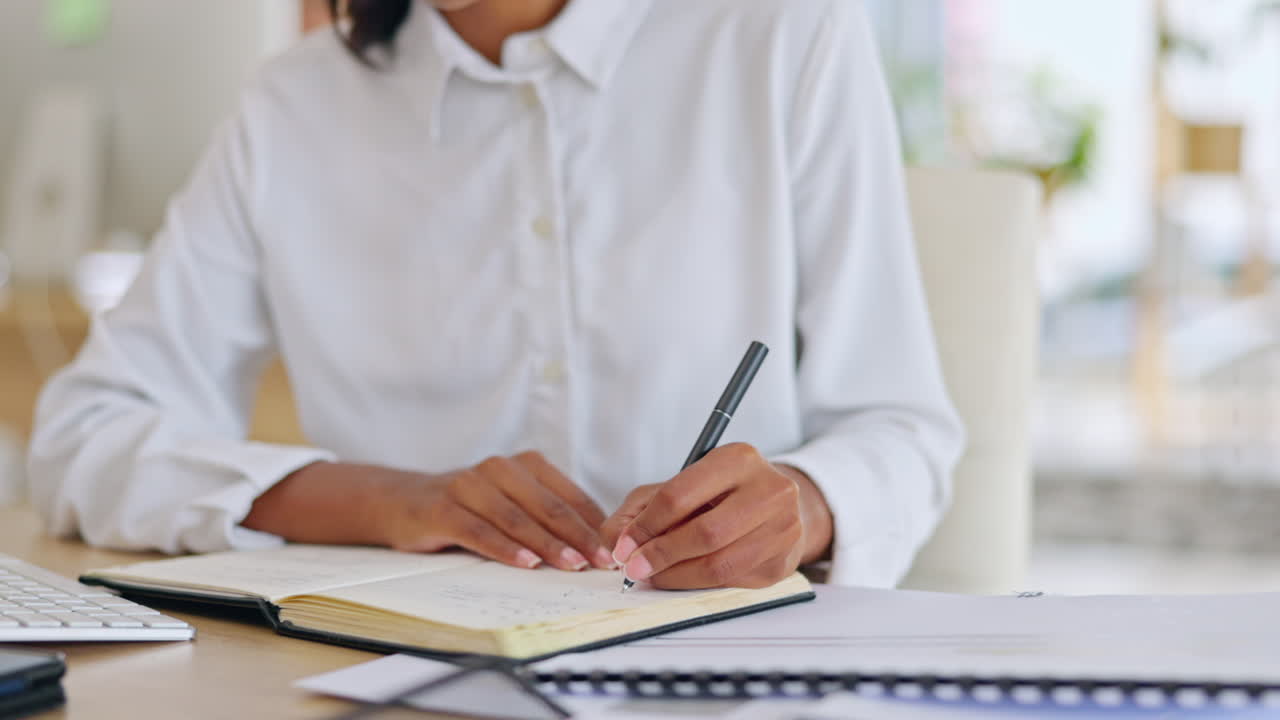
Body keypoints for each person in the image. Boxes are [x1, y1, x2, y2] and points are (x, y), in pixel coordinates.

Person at [27, 0, 963, 590]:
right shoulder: (293, 107)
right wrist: (390, 502)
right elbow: (82, 440)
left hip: (722, 679)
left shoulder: (784, 35)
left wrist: (804, 502)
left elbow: (902, 430)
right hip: (394, 682)